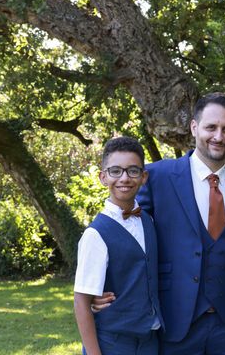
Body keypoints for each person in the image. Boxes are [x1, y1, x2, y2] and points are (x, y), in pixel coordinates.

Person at [93, 92, 225, 354]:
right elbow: (126, 232)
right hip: (176, 320)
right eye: (210, 127)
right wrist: (99, 287)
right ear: (194, 127)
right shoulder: (157, 176)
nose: (218, 136)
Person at [74, 136, 163, 355]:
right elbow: (82, 302)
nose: (124, 178)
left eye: (133, 171)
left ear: (143, 177)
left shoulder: (148, 221)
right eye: (115, 171)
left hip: (150, 343)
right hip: (113, 344)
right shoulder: (95, 234)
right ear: (103, 177)